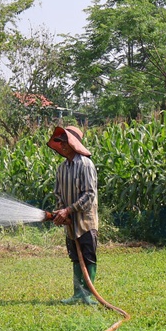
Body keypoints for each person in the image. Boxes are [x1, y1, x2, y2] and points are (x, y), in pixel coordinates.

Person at [47, 125, 98, 305]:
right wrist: (62, 211)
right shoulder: (61, 168)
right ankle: (77, 294)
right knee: (75, 257)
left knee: (88, 256)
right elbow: (58, 193)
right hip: (70, 223)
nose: (61, 145)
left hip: (85, 221)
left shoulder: (86, 165)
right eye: (59, 142)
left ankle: (88, 295)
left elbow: (89, 195)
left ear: (73, 142)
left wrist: (68, 210)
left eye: (64, 141)